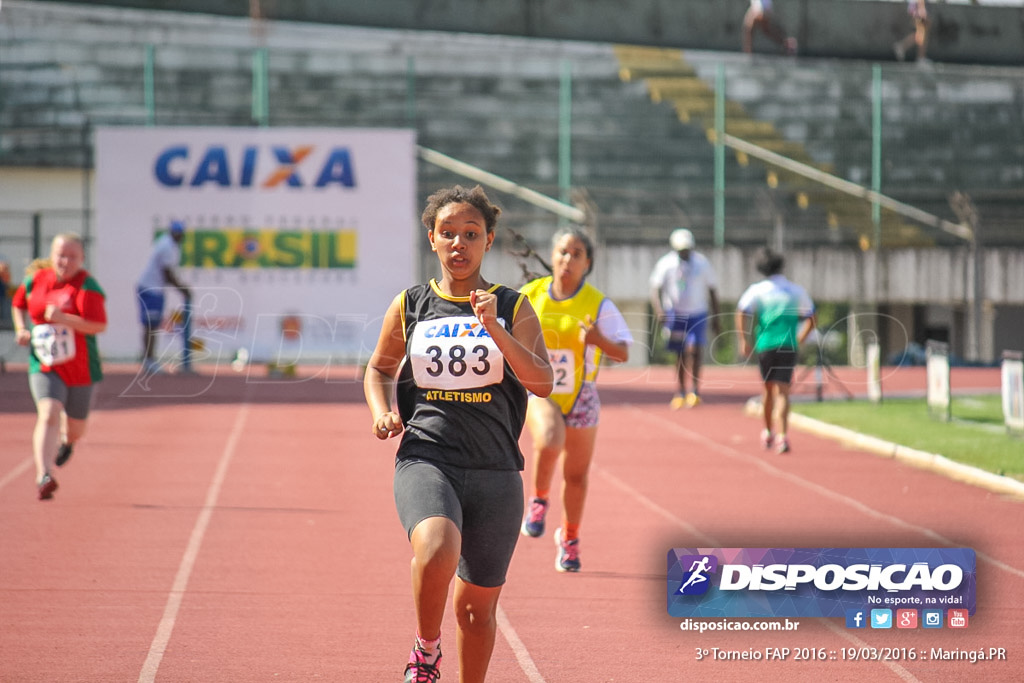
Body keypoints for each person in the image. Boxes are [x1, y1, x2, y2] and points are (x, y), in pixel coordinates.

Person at [363, 185, 552, 683]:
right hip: (428, 457)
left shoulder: (513, 306)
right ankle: (426, 651)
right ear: (432, 239)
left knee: (475, 611)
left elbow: (542, 383)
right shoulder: (411, 304)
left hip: (495, 470)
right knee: (437, 546)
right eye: (448, 233)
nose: (458, 244)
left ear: (488, 241)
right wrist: (382, 411)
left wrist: (498, 331)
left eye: (471, 234)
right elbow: (379, 369)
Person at [518, 228, 632, 573]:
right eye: (563, 252)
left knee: (577, 476)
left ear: (588, 263)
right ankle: (538, 500)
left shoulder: (598, 304)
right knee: (550, 438)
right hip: (540, 389)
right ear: (552, 256)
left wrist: (598, 339)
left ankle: (569, 539)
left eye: (577, 254)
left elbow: (623, 352)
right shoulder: (530, 295)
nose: (568, 259)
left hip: (581, 394)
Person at [10, 234, 107, 499]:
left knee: (77, 429)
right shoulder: (36, 281)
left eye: (72, 256)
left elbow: (98, 325)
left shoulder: (87, 286)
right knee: (48, 412)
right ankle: (44, 474)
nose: (65, 261)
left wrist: (65, 319)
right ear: (52, 256)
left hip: (81, 368)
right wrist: (21, 329)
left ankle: (68, 441)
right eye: (60, 256)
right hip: (44, 363)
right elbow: (18, 304)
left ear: (82, 259)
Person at [735, 246, 816, 454]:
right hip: (788, 345)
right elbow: (811, 317)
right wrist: (801, 338)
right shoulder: (795, 291)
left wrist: (744, 339)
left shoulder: (757, 290)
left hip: (766, 345)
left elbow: (742, 311)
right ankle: (783, 436)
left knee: (768, 389)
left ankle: (768, 431)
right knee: (783, 392)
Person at [649, 228, 721, 409]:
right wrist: (659, 311)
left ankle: (695, 390)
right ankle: (680, 391)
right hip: (676, 313)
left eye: (687, 249)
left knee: (696, 350)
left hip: (697, 313)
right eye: (681, 250)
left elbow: (712, 289)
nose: (685, 253)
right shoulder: (666, 264)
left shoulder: (702, 263)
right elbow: (655, 289)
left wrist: (716, 317)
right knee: (679, 353)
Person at [136, 220, 190, 373]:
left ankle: (149, 359)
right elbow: (167, 274)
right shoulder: (167, 246)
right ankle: (148, 360)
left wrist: (181, 287)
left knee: (152, 325)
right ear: (172, 232)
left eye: (181, 233)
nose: (179, 235)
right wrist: (182, 288)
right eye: (177, 232)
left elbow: (168, 273)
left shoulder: (170, 244)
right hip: (150, 288)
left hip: (155, 289)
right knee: (150, 325)